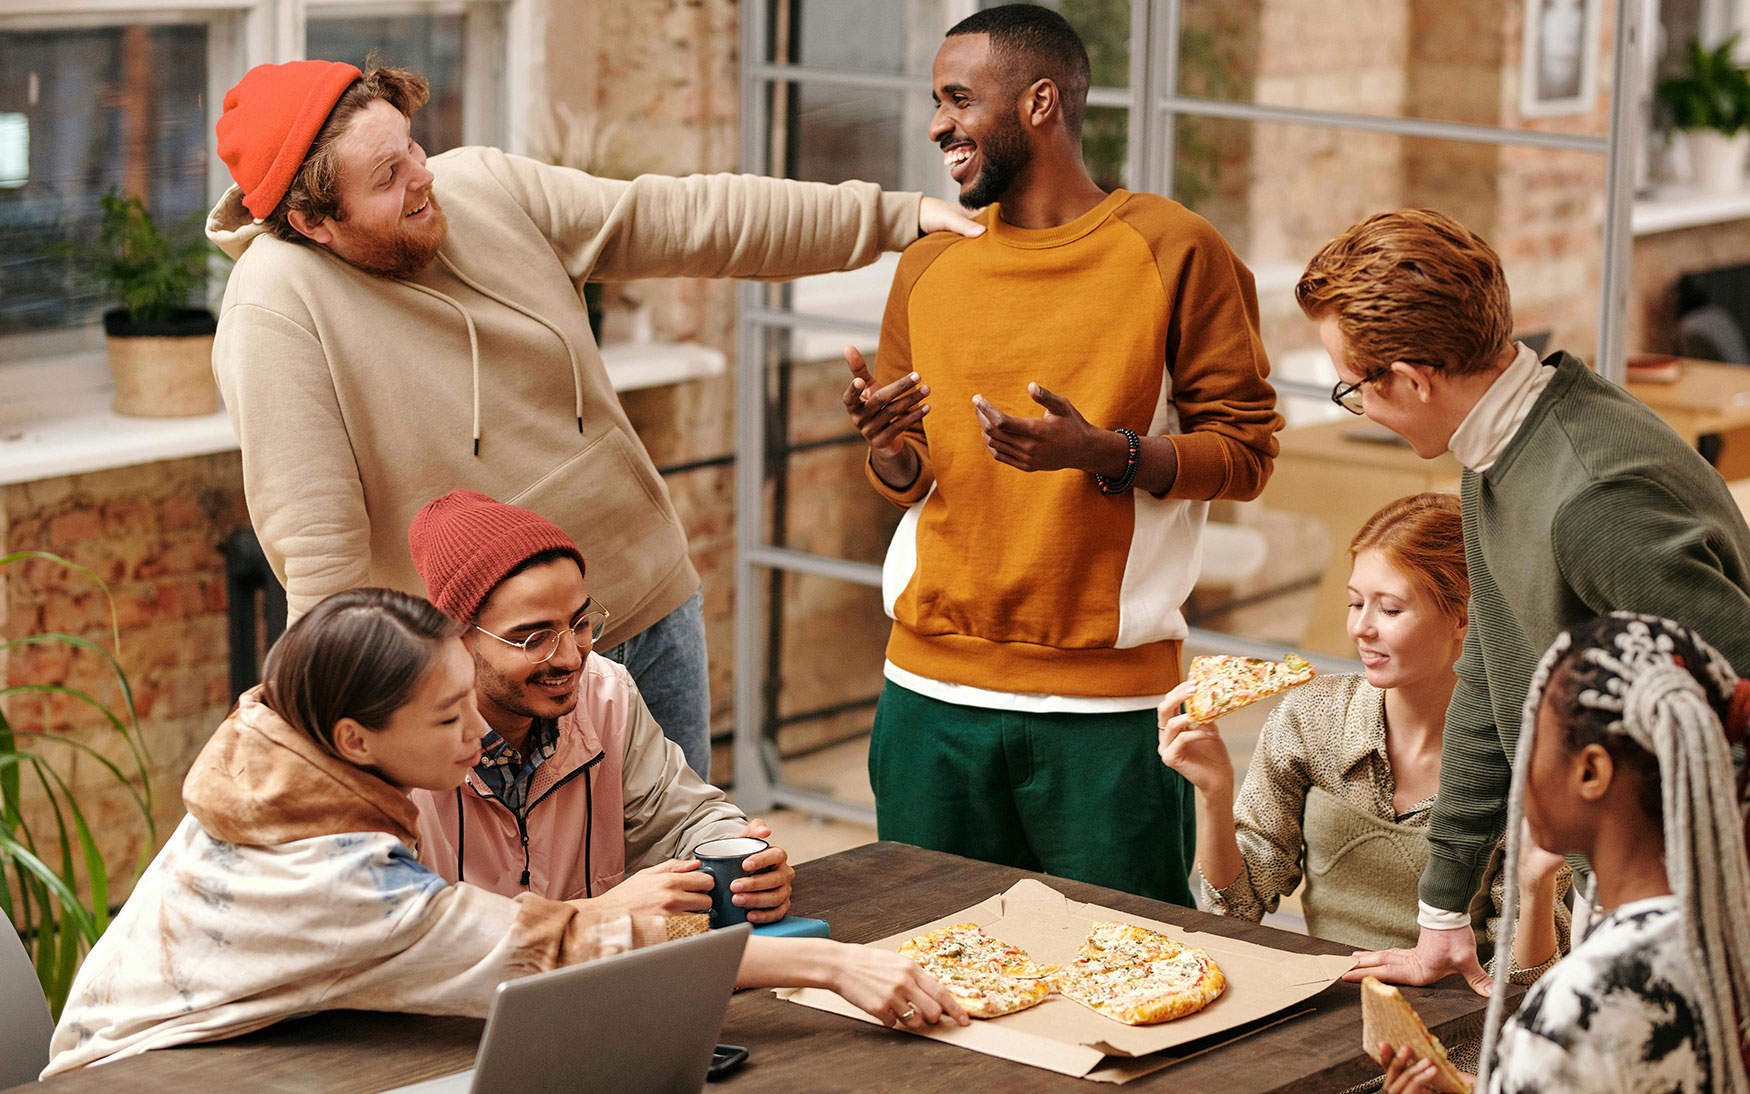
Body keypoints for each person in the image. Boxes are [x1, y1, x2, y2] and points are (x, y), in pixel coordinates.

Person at [207, 59, 982, 782]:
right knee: (545, 909)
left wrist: (892, 216)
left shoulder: (480, 185)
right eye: (387, 176)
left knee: (686, 876)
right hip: (492, 677)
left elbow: (679, 217)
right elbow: (319, 552)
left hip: (644, 599)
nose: (422, 179)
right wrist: (349, 739)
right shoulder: (277, 309)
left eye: (412, 147)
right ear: (314, 222)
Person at [44, 590, 965, 1076]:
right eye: (448, 719)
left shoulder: (279, 765)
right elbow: (568, 946)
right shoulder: (335, 878)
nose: (477, 736)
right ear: (356, 737)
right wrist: (834, 966)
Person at [841, 3, 1280, 905]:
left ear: (1040, 102)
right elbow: (913, 476)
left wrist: (1108, 454)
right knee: (935, 968)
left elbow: (1246, 452)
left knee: (1125, 979)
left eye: (958, 99)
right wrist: (888, 448)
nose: (937, 126)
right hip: (929, 695)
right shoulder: (928, 264)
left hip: (1107, 715)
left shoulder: (1174, 249)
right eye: (936, 102)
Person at [1295, 208, 1750, 993]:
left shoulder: (1593, 500)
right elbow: (1491, 672)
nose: (1357, 405)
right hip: (1633, 887)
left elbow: (1738, 707)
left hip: (1696, 907)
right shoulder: (1497, 453)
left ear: (1410, 378)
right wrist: (1442, 916)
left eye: (1351, 386)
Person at [1158, 494, 1568, 971]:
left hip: (1459, 1021)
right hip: (1325, 998)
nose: (1360, 628)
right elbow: (1236, 907)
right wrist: (1214, 792)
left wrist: (1536, 889)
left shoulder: (1523, 756)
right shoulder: (1311, 716)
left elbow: (1521, 984)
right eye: (1355, 603)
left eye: (1389, 610)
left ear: (1465, 618)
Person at [1378, 614, 1750, 1093]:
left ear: (1591, 772)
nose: (1520, 768)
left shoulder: (1587, 1000)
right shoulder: (1721, 928)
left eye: (1532, 740)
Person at [403, 489, 788, 923]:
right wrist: (598, 914)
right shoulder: (398, 749)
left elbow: (681, 818)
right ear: (457, 638)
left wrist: (747, 864)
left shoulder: (606, 694)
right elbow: (404, 937)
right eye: (534, 638)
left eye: (580, 623)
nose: (570, 658)